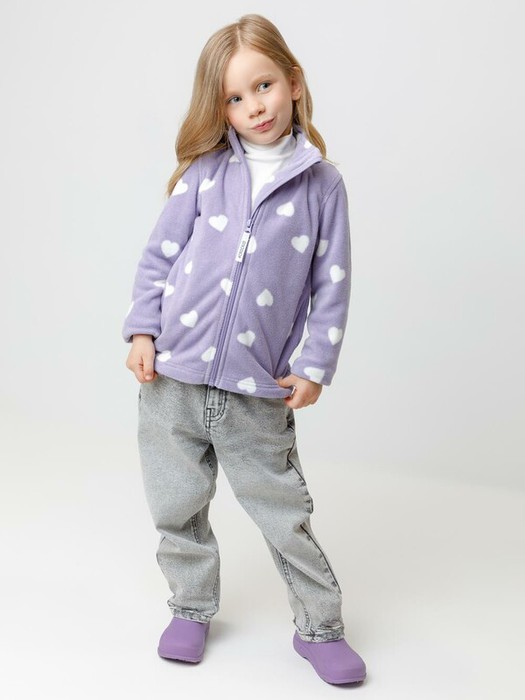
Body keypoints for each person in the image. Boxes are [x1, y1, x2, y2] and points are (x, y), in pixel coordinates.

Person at [122, 13, 366, 686]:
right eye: (234, 96)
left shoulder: (322, 186)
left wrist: (314, 365)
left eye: (263, 86)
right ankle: (190, 608)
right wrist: (142, 331)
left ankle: (319, 628)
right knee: (176, 505)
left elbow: (332, 284)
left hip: (255, 389)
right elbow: (158, 257)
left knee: (284, 514)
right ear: (219, 107)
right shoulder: (205, 173)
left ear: (293, 83)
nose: (253, 105)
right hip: (172, 378)